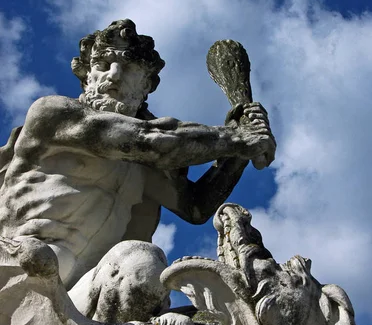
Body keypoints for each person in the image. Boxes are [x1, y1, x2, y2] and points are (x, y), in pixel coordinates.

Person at [0, 19, 276, 290]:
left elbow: (196, 206)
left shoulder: (146, 165)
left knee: (143, 266)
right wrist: (239, 139)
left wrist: (241, 146)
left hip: (77, 296)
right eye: (103, 64)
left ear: (146, 85)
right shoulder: (54, 115)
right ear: (87, 76)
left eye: (130, 67)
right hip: (16, 268)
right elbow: (151, 141)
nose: (114, 75)